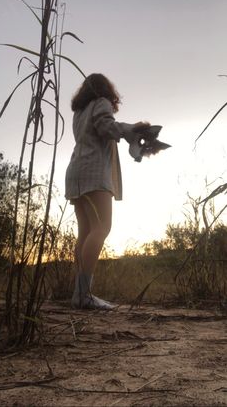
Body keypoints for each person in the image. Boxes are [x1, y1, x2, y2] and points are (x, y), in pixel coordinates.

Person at [65, 73, 148, 310]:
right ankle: (83, 294)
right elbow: (105, 126)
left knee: (86, 233)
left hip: (76, 171)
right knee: (102, 228)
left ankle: (79, 293)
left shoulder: (79, 112)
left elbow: (99, 128)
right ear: (106, 89)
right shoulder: (101, 102)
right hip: (93, 172)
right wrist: (132, 129)